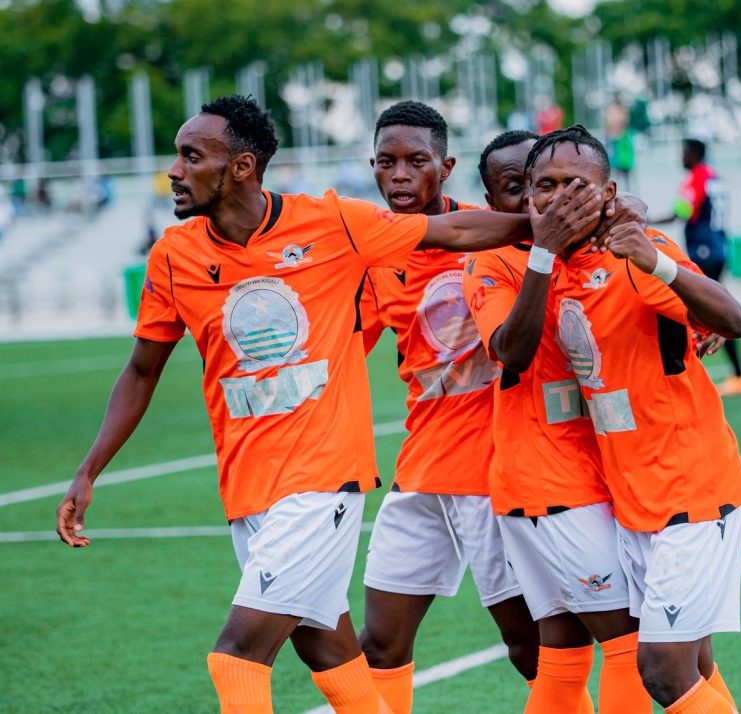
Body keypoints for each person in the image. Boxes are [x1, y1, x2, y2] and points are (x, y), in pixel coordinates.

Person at [54, 95, 597, 714]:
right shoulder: (180, 256)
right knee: (344, 649)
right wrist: (89, 468)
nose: (174, 171)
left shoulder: (347, 226)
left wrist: (564, 227)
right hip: (322, 479)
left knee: (237, 655)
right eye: (385, 162)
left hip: (356, 481)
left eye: (189, 156)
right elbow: (144, 367)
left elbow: (476, 243)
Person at [354, 102, 600, 714]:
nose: (402, 175)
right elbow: (338, 348)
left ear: (447, 166)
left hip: (494, 470)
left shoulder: (499, 227)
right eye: (387, 163)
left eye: (417, 161)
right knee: (379, 645)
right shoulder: (372, 255)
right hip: (420, 468)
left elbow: (581, 234)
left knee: (528, 647)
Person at [528, 125, 741, 714]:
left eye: (575, 184)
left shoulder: (633, 252)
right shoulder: (550, 270)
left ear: (608, 191)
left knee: (661, 667)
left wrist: (658, 262)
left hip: (692, 492)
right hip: (635, 500)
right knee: (695, 665)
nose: (558, 198)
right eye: (543, 186)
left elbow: (732, 318)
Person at [463, 129, 656, 714]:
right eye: (527, 187)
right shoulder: (493, 263)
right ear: (506, 199)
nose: (552, 199)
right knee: (633, 645)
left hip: (588, 475)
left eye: (570, 185)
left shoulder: (598, 250)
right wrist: (543, 253)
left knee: (564, 652)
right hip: (548, 483)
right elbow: (512, 352)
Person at [652, 138, 741, 397]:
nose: (681, 158)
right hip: (718, 246)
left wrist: (644, 219)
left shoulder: (696, 178)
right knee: (709, 309)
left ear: (694, 153)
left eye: (683, 153)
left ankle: (736, 375)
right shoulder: (715, 178)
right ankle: (738, 373)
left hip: (703, 249)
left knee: (701, 309)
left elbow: (680, 212)